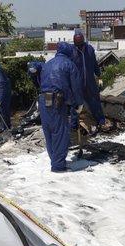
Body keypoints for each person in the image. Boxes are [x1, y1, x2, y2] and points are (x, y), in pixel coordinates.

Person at [39, 42, 83, 172]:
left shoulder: (47, 64)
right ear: (69, 52)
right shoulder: (69, 65)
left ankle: (54, 159)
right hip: (57, 100)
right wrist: (78, 104)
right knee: (60, 132)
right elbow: (76, 87)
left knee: (49, 131)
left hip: (43, 99)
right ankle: (58, 166)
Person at [71, 32, 105, 129]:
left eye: (80, 44)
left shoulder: (89, 49)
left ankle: (101, 121)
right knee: (77, 105)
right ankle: (74, 126)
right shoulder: (72, 51)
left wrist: (99, 77)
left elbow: (94, 64)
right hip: (78, 83)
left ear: (83, 41)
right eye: (77, 44)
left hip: (90, 82)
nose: (79, 46)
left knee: (95, 102)